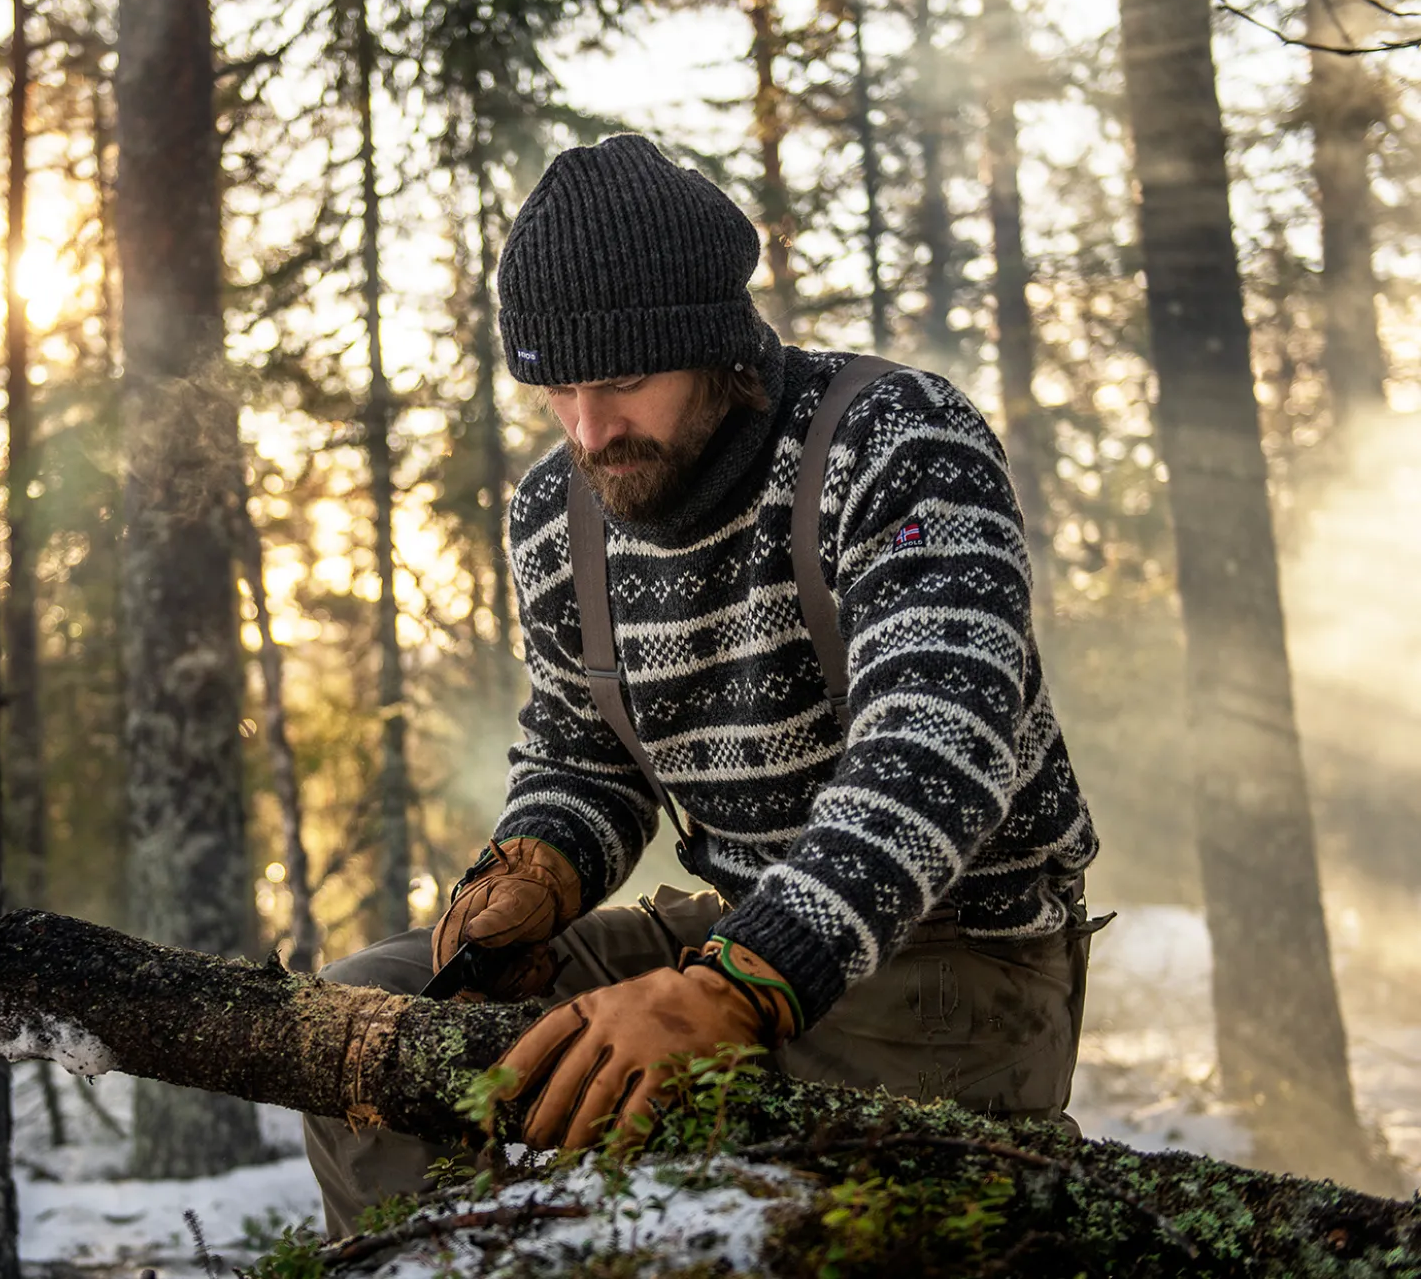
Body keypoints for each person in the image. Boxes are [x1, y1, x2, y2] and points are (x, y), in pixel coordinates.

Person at [302, 133, 1104, 1237]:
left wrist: (737, 987)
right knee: (368, 1031)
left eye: (623, 380)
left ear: (714, 347)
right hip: (735, 919)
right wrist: (539, 864)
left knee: (762, 1224)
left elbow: (934, 749)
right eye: (555, 388)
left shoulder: (896, 441)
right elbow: (581, 753)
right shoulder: (555, 513)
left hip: (956, 949)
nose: (588, 428)